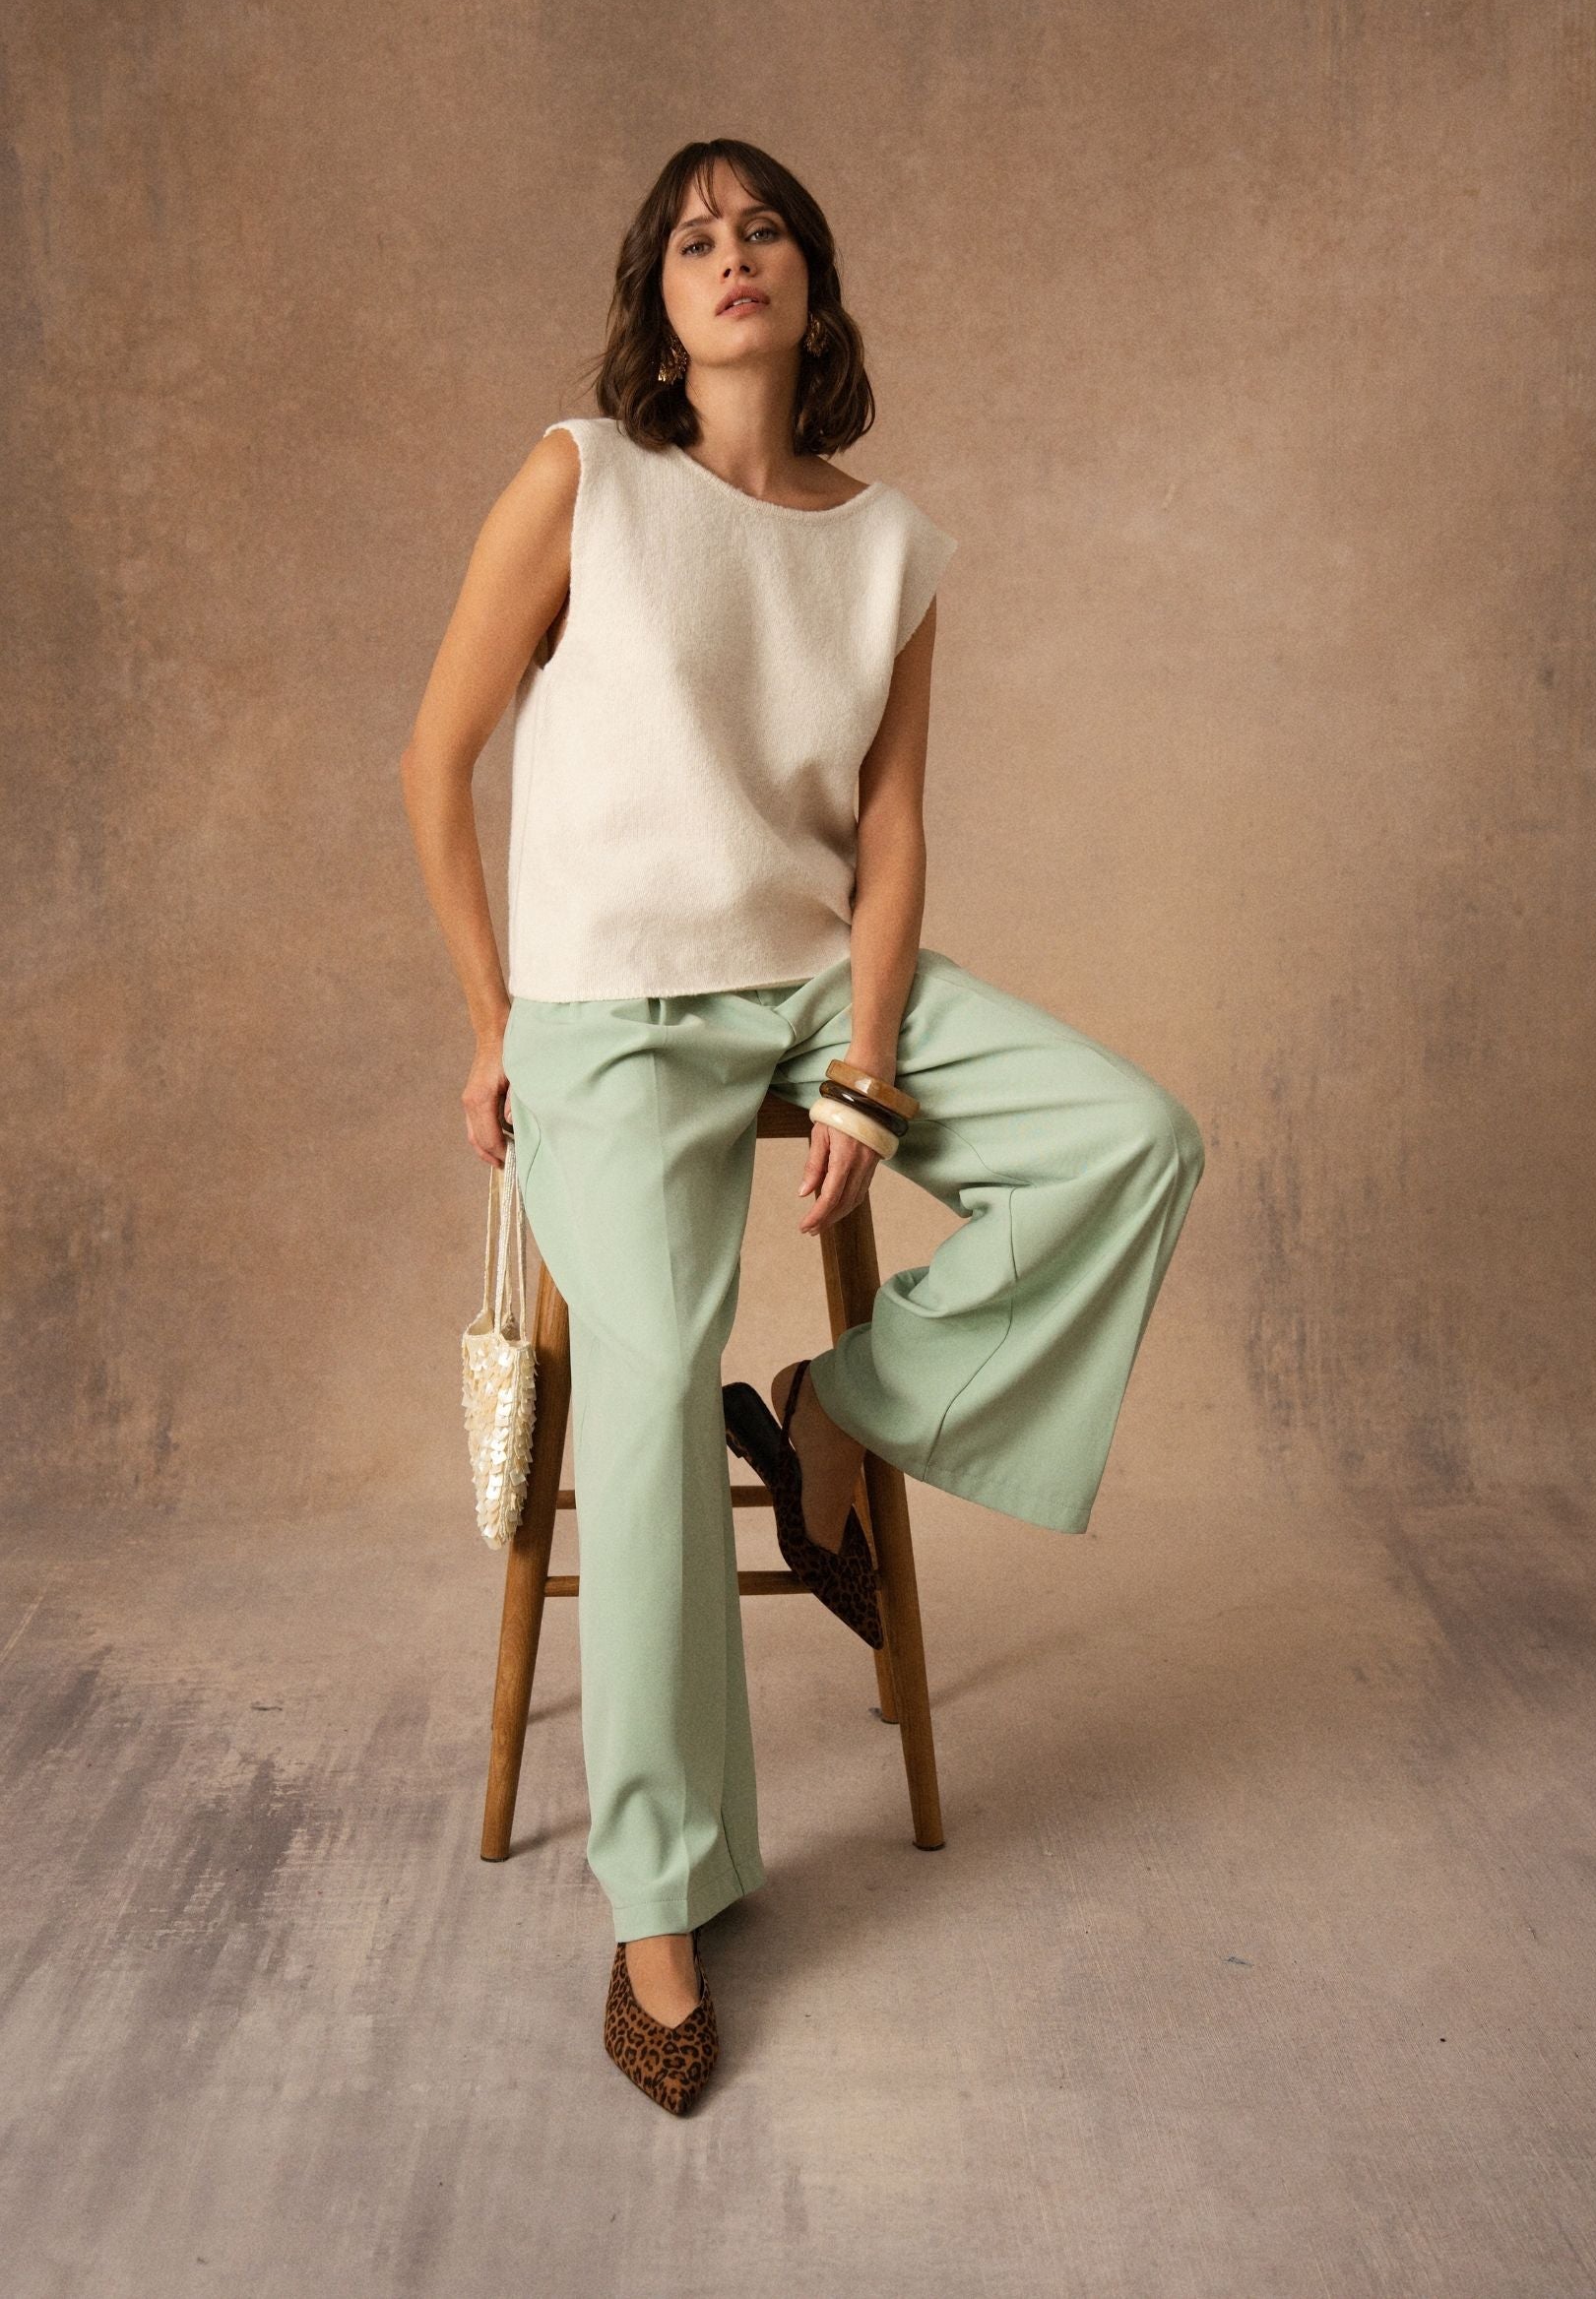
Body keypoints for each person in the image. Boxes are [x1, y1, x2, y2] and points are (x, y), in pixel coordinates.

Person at [399, 136, 1205, 2116]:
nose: (732, 253)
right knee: (651, 1388)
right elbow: (435, 759)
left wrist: (863, 1058)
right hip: (609, 1010)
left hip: (806, 987)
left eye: (763, 228)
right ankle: (659, 1902)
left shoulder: (891, 548)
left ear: (811, 286)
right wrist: (493, 1019)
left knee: (1128, 1139)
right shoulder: (584, 478)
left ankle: (845, 1413)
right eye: (695, 237)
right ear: (659, 303)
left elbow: (894, 829)